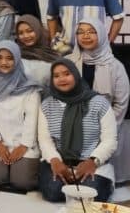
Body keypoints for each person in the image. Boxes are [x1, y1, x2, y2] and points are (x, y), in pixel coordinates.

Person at [68, 17, 130, 184]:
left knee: (99, 179)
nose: (86, 36)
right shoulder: (69, 62)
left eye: (91, 32)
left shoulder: (115, 66)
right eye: (81, 32)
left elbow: (120, 104)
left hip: (107, 126)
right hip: (73, 125)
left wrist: (102, 128)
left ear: (101, 34)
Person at [37, 59, 117, 203]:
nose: (62, 79)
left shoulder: (99, 103)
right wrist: (55, 161)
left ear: (75, 74)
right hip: (60, 162)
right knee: (53, 192)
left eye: (67, 74)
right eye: (56, 76)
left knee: (93, 193)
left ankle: (94, 183)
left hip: (90, 161)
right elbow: (45, 140)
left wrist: (93, 161)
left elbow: (110, 140)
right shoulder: (47, 105)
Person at [0, 40, 41, 191]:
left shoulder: (29, 87)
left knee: (22, 183)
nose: (4, 62)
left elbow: (32, 120)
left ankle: (17, 169)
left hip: (24, 143)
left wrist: (23, 146)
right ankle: (6, 168)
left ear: (17, 59)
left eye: (9, 58)